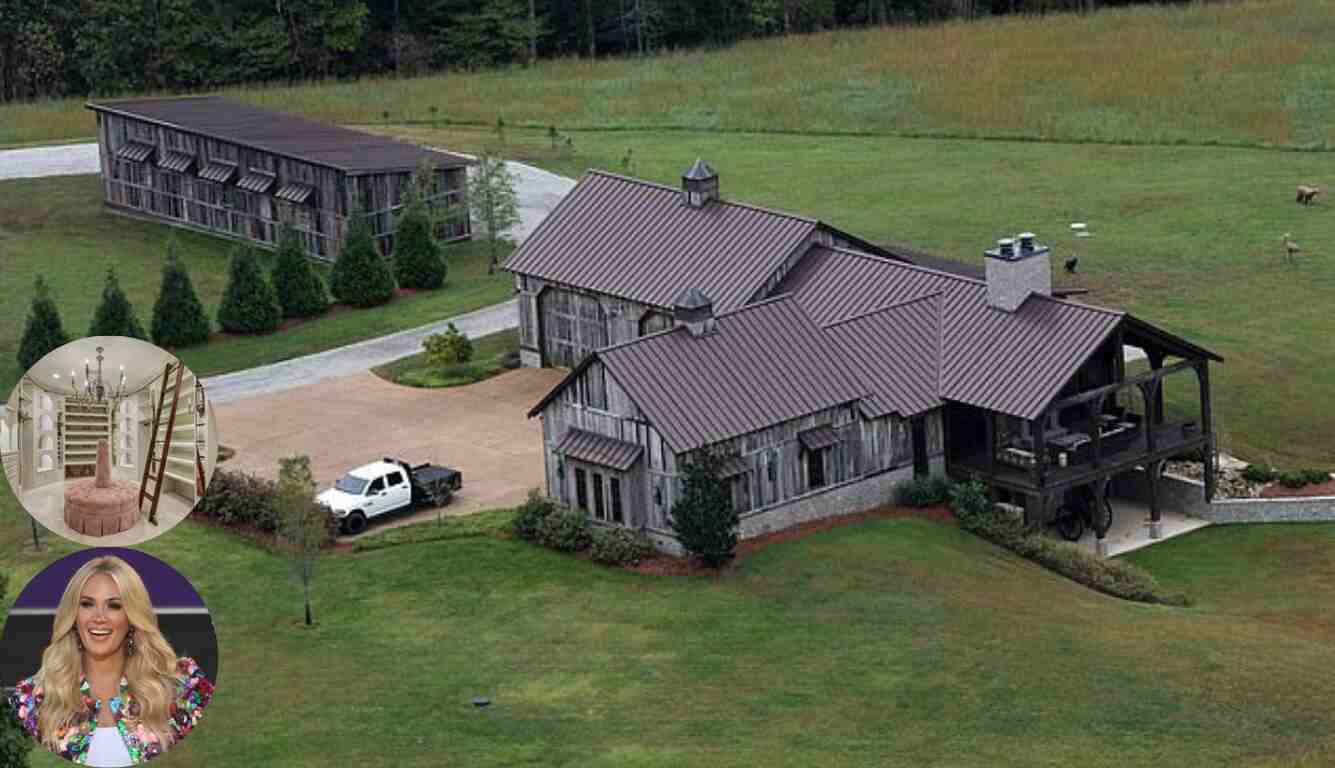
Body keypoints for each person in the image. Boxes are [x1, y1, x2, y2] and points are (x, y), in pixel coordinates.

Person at [7, 556, 213, 766]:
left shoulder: (184, 688)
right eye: (87, 604)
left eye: (114, 606)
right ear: (73, 615)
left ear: (132, 616)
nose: (99, 617)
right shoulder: (31, 700)